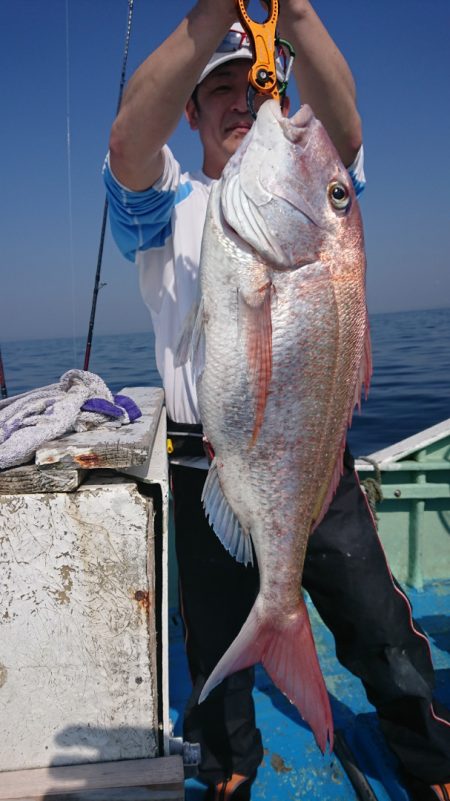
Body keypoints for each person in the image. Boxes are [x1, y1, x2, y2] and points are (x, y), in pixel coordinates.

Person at [104, 2, 450, 799]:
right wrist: (212, 16)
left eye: (254, 87)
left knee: (379, 626)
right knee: (217, 646)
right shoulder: (167, 206)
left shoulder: (312, 186)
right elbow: (126, 142)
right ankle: (230, 766)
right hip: (204, 466)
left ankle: (429, 758)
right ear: (188, 110)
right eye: (218, 88)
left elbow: (346, 127)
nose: (242, 102)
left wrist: (293, 13)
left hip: (308, 454)